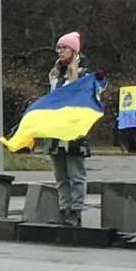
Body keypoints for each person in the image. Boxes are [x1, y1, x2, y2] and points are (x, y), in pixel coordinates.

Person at [47, 31, 91, 227]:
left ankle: (76, 211)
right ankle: (64, 209)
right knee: (60, 175)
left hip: (74, 132)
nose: (60, 51)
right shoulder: (55, 74)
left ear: (73, 50)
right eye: (59, 48)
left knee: (75, 174)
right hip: (55, 130)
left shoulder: (83, 75)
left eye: (64, 48)